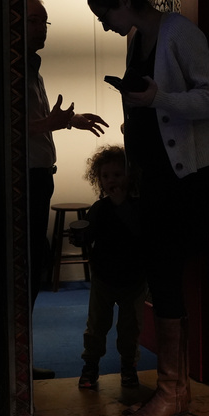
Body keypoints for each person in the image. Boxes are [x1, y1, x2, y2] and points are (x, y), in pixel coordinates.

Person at [86, 0, 209, 416]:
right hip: (156, 176)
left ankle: (171, 391)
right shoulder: (137, 41)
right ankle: (175, 389)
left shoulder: (180, 33)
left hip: (186, 176)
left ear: (125, 2)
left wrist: (158, 99)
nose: (104, 23)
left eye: (104, 13)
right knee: (160, 272)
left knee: (166, 272)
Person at [26, 0, 109, 380]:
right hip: (22, 178)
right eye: (34, 20)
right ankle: (13, 359)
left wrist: (68, 120)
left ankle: (18, 358)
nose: (41, 28)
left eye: (45, 21)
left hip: (40, 175)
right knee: (25, 264)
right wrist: (52, 124)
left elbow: (36, 118)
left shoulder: (31, 70)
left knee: (33, 262)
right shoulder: (9, 67)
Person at [73, 144, 146, 391]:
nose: (111, 180)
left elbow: (140, 231)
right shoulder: (99, 208)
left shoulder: (138, 206)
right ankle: (90, 366)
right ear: (99, 179)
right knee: (96, 327)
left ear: (129, 176)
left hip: (133, 280)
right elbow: (90, 234)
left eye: (117, 174)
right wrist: (79, 237)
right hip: (103, 278)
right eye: (105, 176)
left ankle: (128, 368)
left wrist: (122, 204)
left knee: (130, 328)